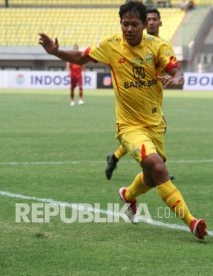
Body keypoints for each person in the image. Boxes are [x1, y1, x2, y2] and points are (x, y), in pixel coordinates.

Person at [38, 1, 207, 239]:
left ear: (143, 25)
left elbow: (175, 70)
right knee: (159, 168)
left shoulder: (157, 46)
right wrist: (56, 51)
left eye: (134, 24)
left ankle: (128, 195)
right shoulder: (110, 45)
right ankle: (192, 222)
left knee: (150, 176)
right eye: (125, 24)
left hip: (155, 124)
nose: (129, 29)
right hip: (129, 127)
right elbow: (80, 56)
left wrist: (178, 78)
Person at [105, 8, 174, 181]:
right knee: (139, 133)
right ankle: (158, 170)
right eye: (149, 19)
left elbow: (171, 69)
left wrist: (172, 75)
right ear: (145, 23)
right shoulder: (133, 42)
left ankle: (115, 157)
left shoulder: (162, 46)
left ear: (160, 23)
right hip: (136, 102)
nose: (151, 22)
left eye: (154, 19)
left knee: (150, 132)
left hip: (153, 101)